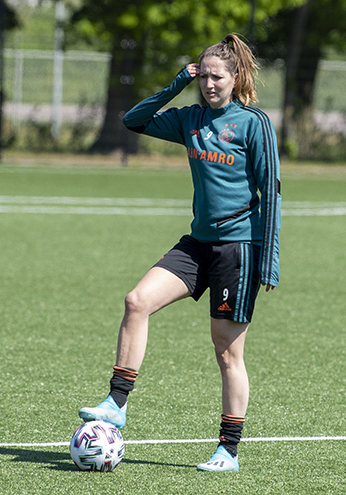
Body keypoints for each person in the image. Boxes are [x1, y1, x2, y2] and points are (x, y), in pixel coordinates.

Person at [78, 33, 281, 472]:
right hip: (197, 243)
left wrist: (270, 258)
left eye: (217, 77)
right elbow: (134, 120)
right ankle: (117, 403)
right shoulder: (189, 118)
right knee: (137, 301)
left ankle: (228, 450)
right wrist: (175, 84)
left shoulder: (254, 123)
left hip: (238, 249)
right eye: (203, 76)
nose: (209, 84)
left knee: (227, 351)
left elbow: (273, 195)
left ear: (236, 78)